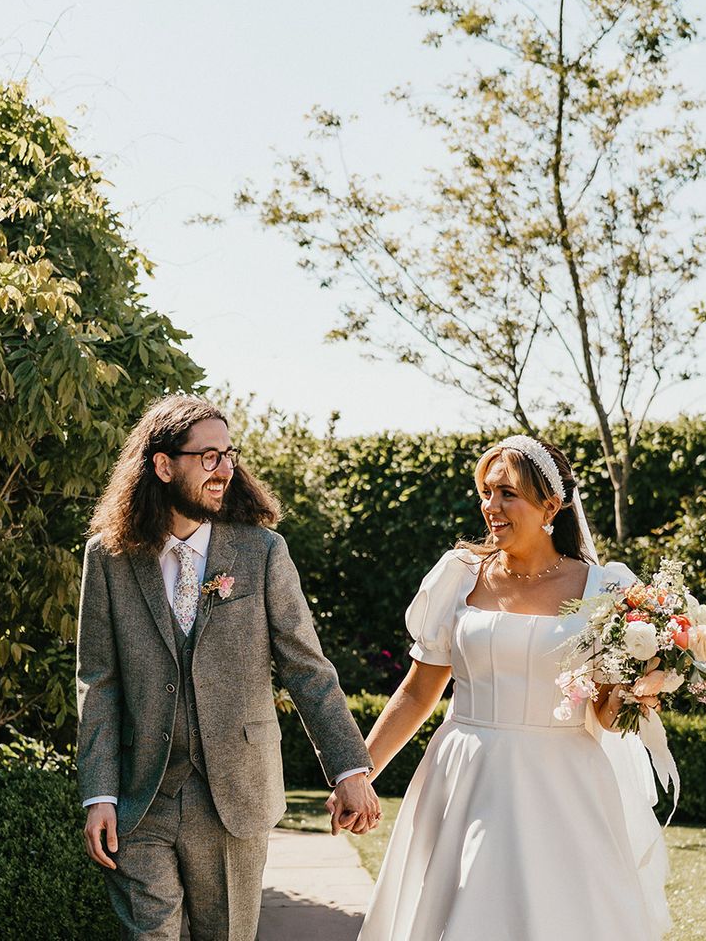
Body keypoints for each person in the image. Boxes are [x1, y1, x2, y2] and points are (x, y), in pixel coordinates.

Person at [342, 435, 671, 940]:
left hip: (563, 784)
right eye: (486, 491)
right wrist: (358, 773)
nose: (490, 506)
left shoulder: (605, 589)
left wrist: (639, 690)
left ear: (551, 507)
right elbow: (417, 691)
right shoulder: (458, 577)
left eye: (507, 493)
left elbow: (604, 715)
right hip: (465, 776)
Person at [76, 394, 379, 941]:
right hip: (142, 797)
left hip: (234, 798)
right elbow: (98, 681)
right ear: (164, 465)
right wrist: (100, 793)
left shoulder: (262, 552)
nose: (224, 470)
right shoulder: (109, 558)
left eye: (228, 455)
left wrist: (349, 770)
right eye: (208, 457)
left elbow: (306, 668)